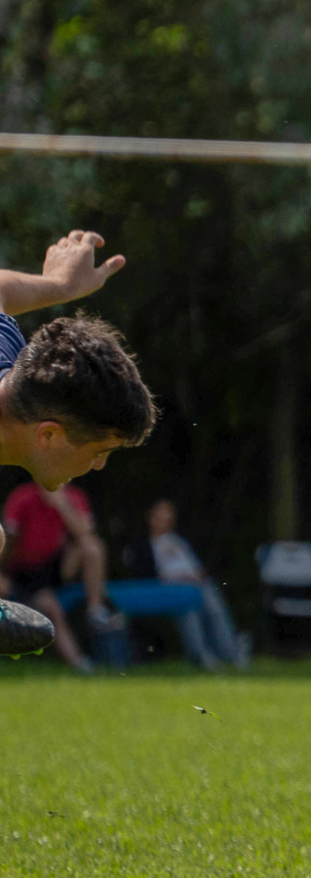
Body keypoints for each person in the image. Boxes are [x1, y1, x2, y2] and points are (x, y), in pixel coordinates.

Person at [0, 230, 156, 664]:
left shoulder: (7, 358)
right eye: (98, 451)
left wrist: (59, 287)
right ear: (48, 435)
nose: (100, 466)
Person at [0, 481, 121, 668]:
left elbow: (84, 532)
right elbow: (8, 541)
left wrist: (62, 504)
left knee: (91, 546)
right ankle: (81, 664)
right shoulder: (22, 496)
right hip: (25, 571)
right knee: (51, 609)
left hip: (57, 565)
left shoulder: (73, 496)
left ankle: (95, 610)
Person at [124, 498, 248, 671]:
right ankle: (201, 655)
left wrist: (196, 577)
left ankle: (230, 653)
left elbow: (197, 568)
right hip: (167, 588)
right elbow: (144, 575)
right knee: (188, 607)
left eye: (167, 518)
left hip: (194, 586)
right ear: (150, 517)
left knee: (212, 604)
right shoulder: (142, 546)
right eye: (159, 517)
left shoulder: (178, 542)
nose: (162, 522)